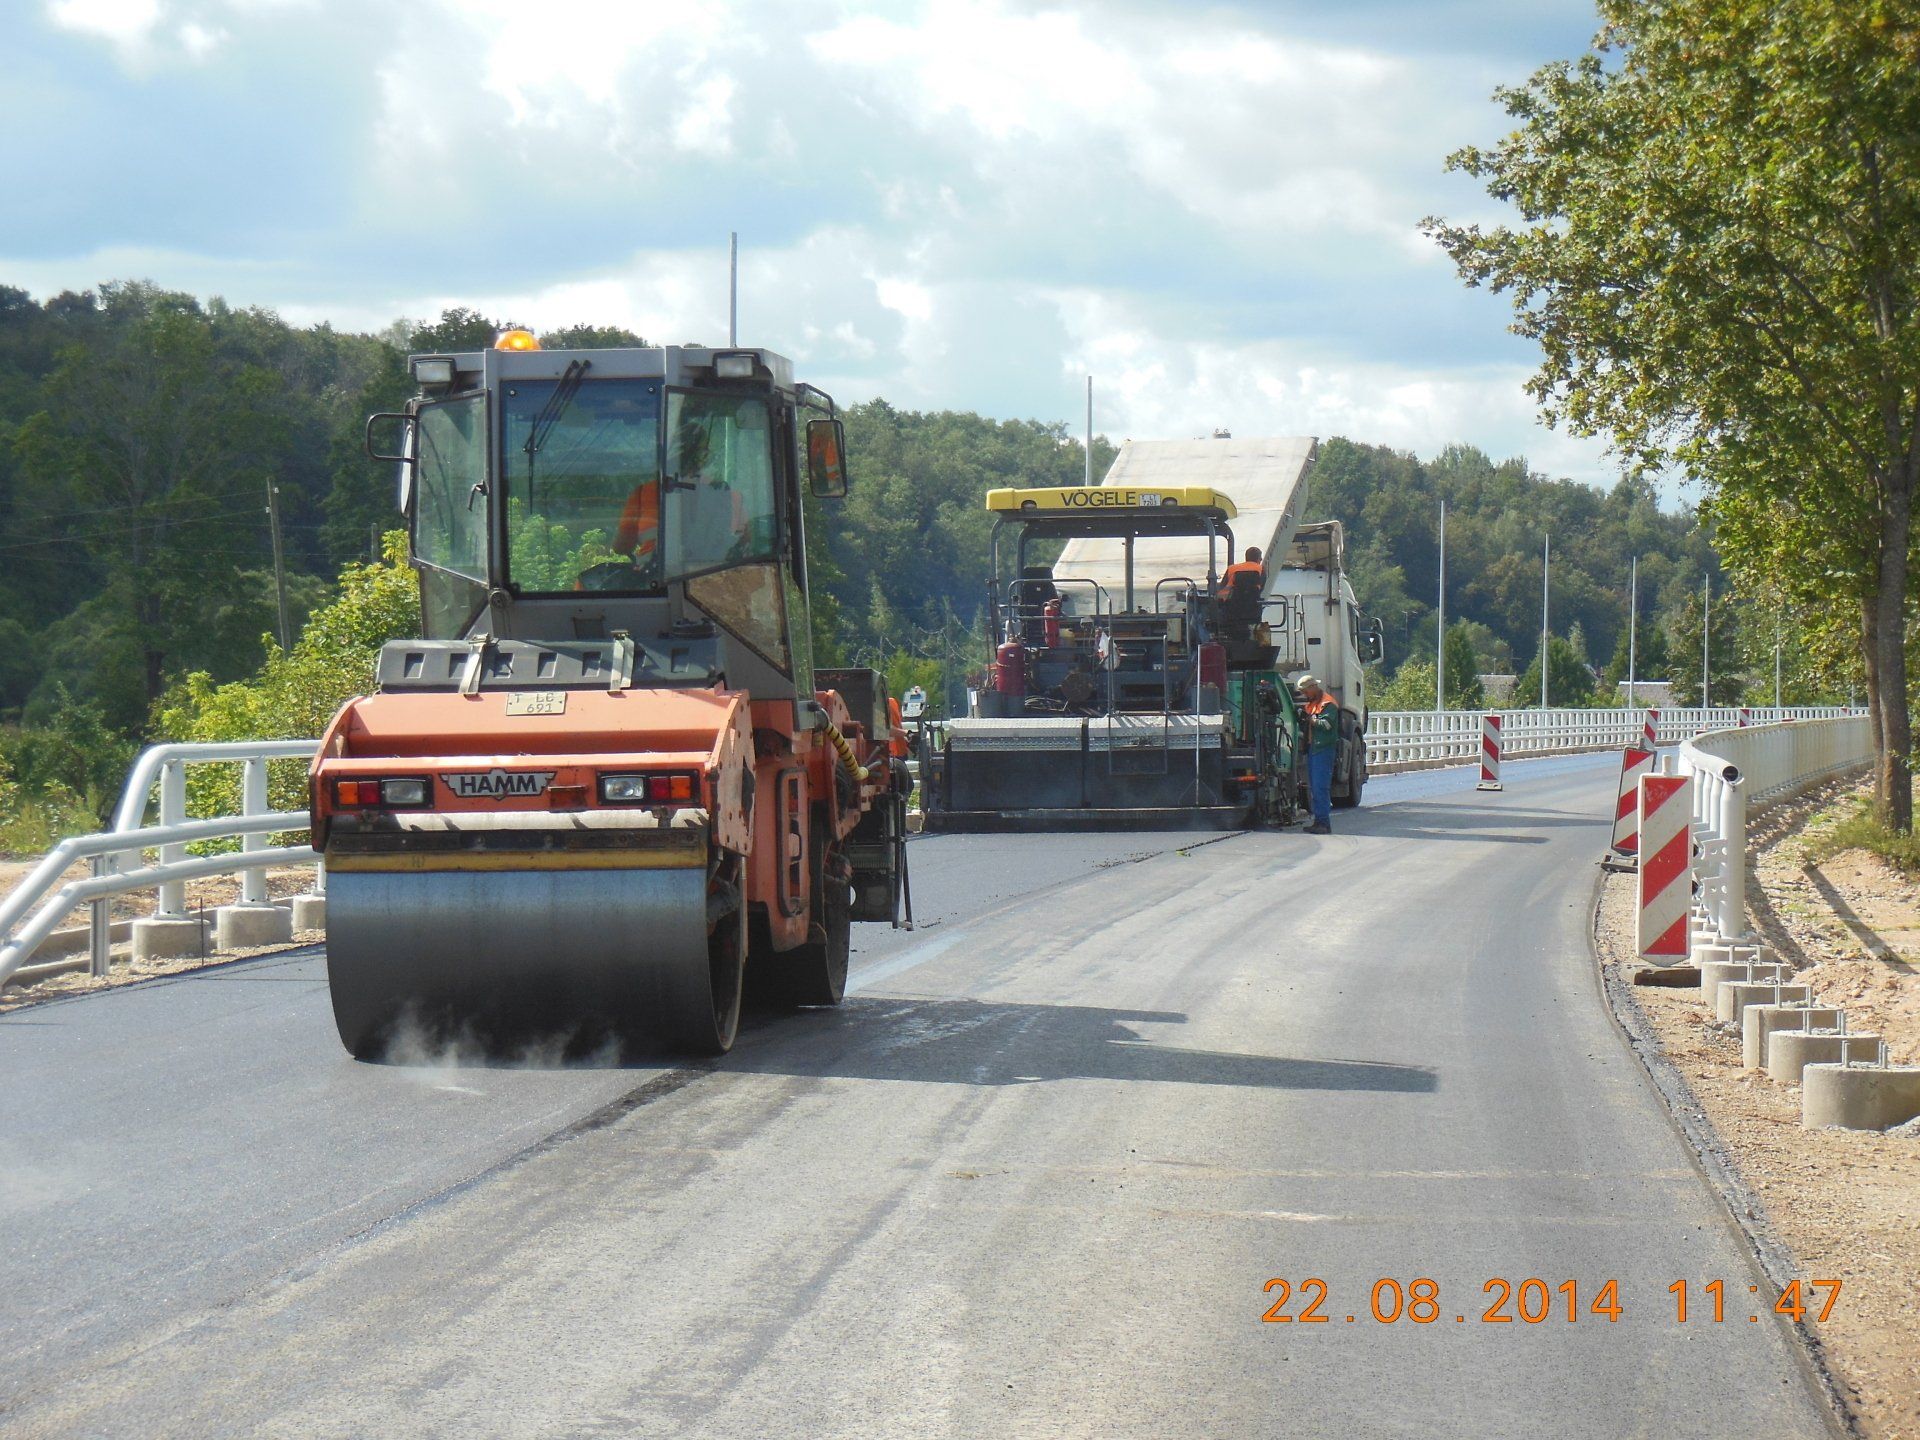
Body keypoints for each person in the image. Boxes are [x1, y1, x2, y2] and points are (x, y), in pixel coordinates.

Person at [1298, 673, 1341, 835]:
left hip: (1323, 749)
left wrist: (1311, 720)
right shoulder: (1314, 703)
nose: (1304, 695)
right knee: (1315, 788)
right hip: (1314, 748)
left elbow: (1327, 725)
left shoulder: (1328, 704)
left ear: (1313, 688)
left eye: (1305, 692)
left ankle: (1323, 822)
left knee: (1320, 787)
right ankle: (1319, 821)